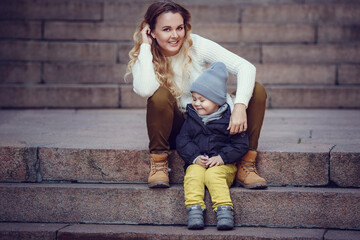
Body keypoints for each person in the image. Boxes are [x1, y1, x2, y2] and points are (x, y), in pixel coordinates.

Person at [126, 0, 267, 189]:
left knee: (256, 91)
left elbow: (246, 67)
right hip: (182, 127)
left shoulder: (195, 44)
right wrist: (145, 47)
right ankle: (159, 162)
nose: (175, 35)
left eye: (179, 28)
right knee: (159, 96)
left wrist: (240, 106)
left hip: (215, 121)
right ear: (151, 31)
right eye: (166, 29)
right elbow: (144, 90)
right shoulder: (144, 56)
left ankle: (246, 163)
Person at [176, 62, 249, 230]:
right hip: (199, 161)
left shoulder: (230, 119)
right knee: (193, 174)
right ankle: (194, 210)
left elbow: (240, 144)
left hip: (225, 164)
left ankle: (224, 210)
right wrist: (194, 157)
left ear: (217, 100)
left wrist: (222, 157)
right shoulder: (192, 117)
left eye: (202, 100)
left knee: (213, 176)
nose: (196, 103)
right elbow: (183, 140)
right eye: (194, 99)